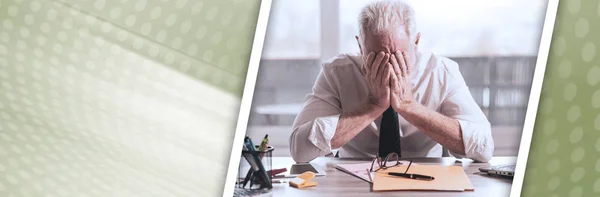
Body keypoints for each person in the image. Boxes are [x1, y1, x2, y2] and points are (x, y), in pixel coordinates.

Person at [289, 0, 494, 163]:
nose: (388, 66)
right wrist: (372, 107)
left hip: (427, 179)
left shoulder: (441, 73)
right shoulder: (337, 72)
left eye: (398, 55)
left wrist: (409, 106)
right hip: (353, 179)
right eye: (376, 56)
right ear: (360, 46)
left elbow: (484, 148)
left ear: (416, 42)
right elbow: (299, 149)